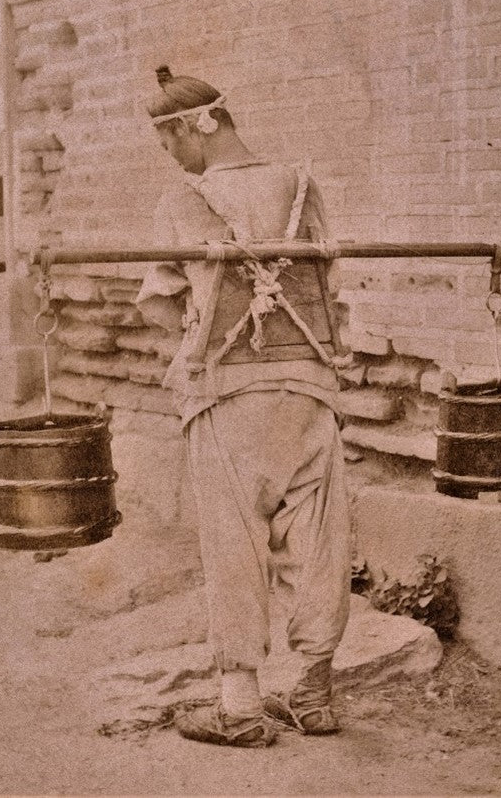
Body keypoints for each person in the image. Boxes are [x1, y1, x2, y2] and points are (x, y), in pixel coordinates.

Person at [135, 66, 352, 748]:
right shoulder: (300, 183)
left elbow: (158, 301)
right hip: (311, 386)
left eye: (167, 139)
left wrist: (196, 338)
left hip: (228, 392)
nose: (167, 155)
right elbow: (331, 288)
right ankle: (314, 693)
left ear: (195, 125)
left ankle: (239, 708)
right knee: (319, 535)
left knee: (235, 543)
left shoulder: (182, 200)